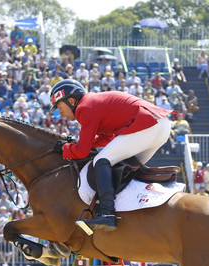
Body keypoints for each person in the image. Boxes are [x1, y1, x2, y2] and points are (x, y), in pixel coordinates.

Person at [50, 79, 172, 231]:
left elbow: (82, 151)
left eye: (59, 106)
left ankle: (107, 215)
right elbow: (105, 138)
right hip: (159, 126)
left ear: (71, 101)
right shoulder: (92, 103)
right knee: (123, 167)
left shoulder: (84, 107)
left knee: (101, 160)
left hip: (148, 125)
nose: (59, 112)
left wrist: (65, 149)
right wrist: (74, 145)